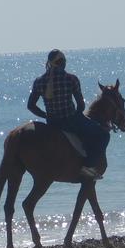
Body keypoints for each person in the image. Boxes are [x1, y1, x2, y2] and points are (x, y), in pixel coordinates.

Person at [27, 49, 110, 180]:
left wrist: (46, 116)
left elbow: (31, 106)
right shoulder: (71, 79)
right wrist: (77, 114)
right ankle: (88, 167)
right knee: (104, 135)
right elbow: (81, 105)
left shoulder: (39, 81)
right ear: (63, 63)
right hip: (71, 121)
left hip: (52, 123)